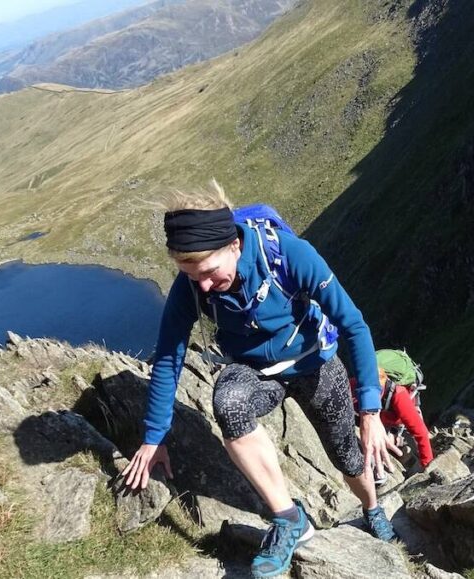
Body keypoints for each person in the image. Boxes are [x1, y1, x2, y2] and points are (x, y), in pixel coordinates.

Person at [121, 182, 398, 579]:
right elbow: (169, 355)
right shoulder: (193, 285)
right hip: (253, 371)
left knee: (347, 457)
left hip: (313, 362)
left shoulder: (290, 255)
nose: (201, 286)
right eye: (189, 275)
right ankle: (289, 519)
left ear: (234, 245)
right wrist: (154, 436)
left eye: (209, 273)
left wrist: (369, 412)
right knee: (229, 402)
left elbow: (353, 325)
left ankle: (372, 509)